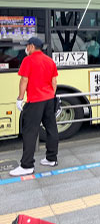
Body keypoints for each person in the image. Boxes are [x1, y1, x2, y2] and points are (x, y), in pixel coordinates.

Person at [10, 37, 59, 177]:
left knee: (30, 131)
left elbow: (24, 80)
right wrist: (50, 95)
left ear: (31, 46)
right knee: (51, 128)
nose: (26, 49)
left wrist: (20, 98)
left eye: (27, 46)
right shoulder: (50, 61)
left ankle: (27, 165)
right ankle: (51, 158)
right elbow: (54, 81)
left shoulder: (28, 60)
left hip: (35, 100)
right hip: (49, 99)